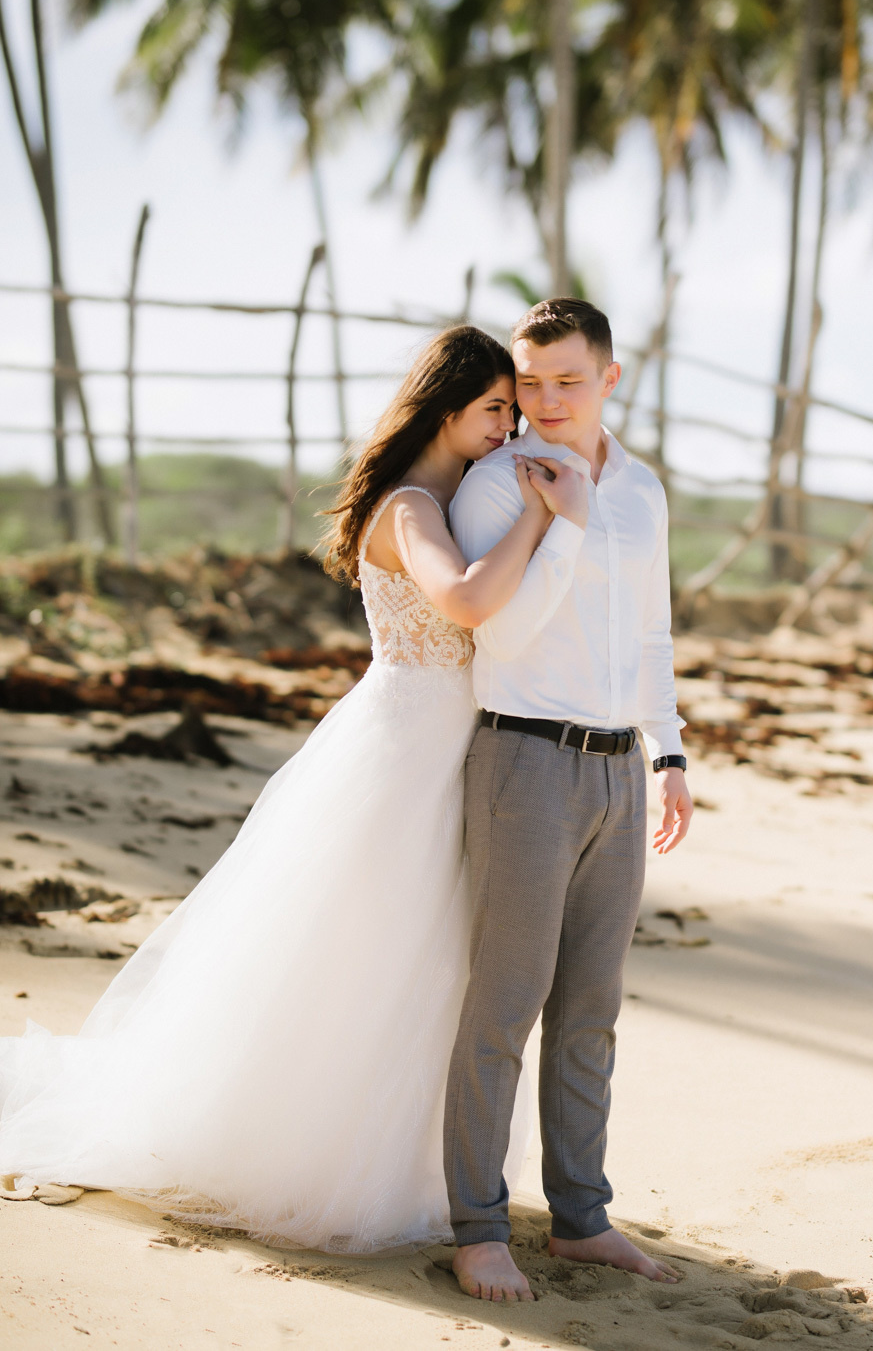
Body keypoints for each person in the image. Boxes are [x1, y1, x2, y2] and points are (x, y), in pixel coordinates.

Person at [0, 324, 588, 1255]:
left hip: (448, 749)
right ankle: (304, 1156)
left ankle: (412, 1165)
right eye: (492, 410)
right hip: (404, 757)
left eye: (510, 412)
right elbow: (469, 604)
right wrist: (544, 518)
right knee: (368, 956)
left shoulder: (449, 495)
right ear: (445, 410)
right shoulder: (408, 508)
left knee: (425, 967)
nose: (506, 427)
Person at [444, 297, 693, 1303]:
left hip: (618, 772)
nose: (543, 403)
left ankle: (581, 1218)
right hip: (523, 765)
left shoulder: (641, 492)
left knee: (591, 1008)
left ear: (608, 380)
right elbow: (498, 635)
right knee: (505, 1005)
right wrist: (561, 522)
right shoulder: (496, 487)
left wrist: (668, 752)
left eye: (566, 381)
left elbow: (650, 633)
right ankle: (477, 1226)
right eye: (528, 381)